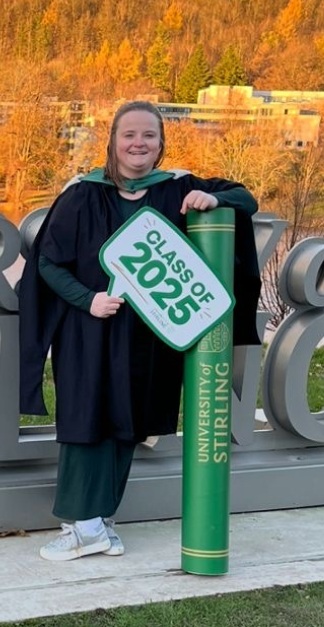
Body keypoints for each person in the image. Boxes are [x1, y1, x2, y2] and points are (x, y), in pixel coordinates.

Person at [17, 100, 262, 560]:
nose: (138, 144)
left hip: (148, 338)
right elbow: (48, 261)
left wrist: (215, 199)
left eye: (149, 135)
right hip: (90, 331)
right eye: (129, 135)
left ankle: (101, 522)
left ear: (161, 143)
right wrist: (87, 299)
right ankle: (83, 526)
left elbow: (246, 199)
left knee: (126, 424)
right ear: (112, 141)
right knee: (85, 420)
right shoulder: (83, 194)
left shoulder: (176, 188)